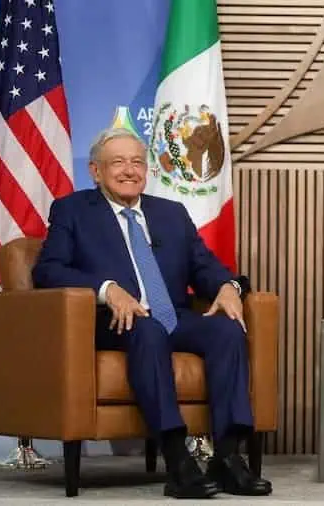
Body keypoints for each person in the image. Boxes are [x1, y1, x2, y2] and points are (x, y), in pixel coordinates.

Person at [32, 128, 271, 499]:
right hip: (116, 322)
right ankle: (177, 459)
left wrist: (229, 287)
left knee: (227, 330)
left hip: (172, 315)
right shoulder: (73, 210)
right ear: (96, 171)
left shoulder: (171, 213)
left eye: (137, 162)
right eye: (118, 163)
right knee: (148, 331)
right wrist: (107, 289)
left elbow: (204, 266)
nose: (129, 170)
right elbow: (47, 270)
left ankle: (226, 456)